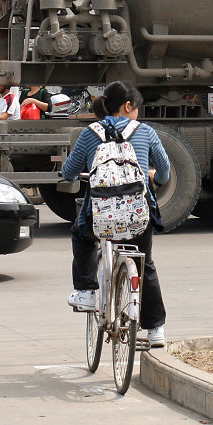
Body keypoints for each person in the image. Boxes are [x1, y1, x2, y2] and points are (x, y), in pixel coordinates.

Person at [61, 80, 171, 347]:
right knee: (146, 263)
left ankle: (86, 291)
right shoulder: (145, 132)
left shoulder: (90, 133)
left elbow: (68, 172)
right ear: (128, 106)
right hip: (138, 213)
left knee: (81, 234)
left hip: (100, 213)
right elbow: (165, 171)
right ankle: (155, 330)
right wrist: (153, 175)